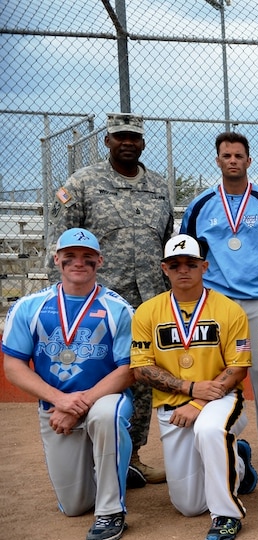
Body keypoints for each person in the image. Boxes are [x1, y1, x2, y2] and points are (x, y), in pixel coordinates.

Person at [47, 112, 173, 485]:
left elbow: (166, 239)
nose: (127, 143)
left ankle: (131, 456)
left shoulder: (159, 186)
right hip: (97, 303)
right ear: (108, 141)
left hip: (148, 299)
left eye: (133, 137)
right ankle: (90, 459)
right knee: (96, 373)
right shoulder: (83, 183)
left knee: (141, 376)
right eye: (120, 137)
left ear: (143, 142)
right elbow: (61, 240)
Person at [3, 228, 135, 540]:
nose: (79, 262)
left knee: (106, 416)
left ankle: (111, 512)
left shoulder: (119, 309)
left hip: (104, 398)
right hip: (56, 408)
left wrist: (80, 403)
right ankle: (114, 467)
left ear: (99, 261)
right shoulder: (29, 307)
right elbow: (13, 366)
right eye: (71, 256)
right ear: (57, 259)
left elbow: (129, 370)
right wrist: (60, 400)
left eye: (87, 257)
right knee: (74, 507)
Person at [180, 132, 258, 479]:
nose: (232, 160)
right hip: (215, 302)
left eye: (238, 156)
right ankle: (219, 442)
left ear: (249, 161)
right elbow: (189, 252)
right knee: (209, 374)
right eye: (226, 155)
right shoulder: (200, 205)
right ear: (217, 161)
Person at [130, 234, 258, 540]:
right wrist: (189, 388)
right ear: (164, 268)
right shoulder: (148, 312)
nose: (183, 270)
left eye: (191, 263)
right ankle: (237, 461)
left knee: (210, 430)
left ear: (205, 266)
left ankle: (227, 514)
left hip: (222, 399)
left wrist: (199, 401)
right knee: (188, 506)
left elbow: (238, 367)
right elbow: (141, 368)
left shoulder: (229, 310)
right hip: (173, 407)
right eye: (175, 265)